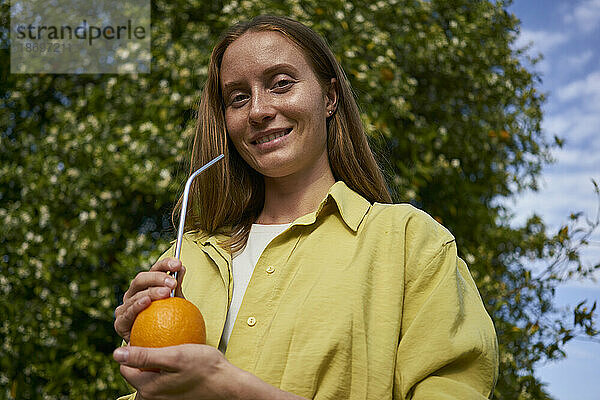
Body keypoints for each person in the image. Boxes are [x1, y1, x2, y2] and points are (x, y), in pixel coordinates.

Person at [113, 15, 498, 400]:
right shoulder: (187, 259)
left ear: (329, 97)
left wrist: (234, 390)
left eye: (281, 84)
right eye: (238, 98)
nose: (258, 111)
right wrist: (149, 379)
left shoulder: (409, 241)